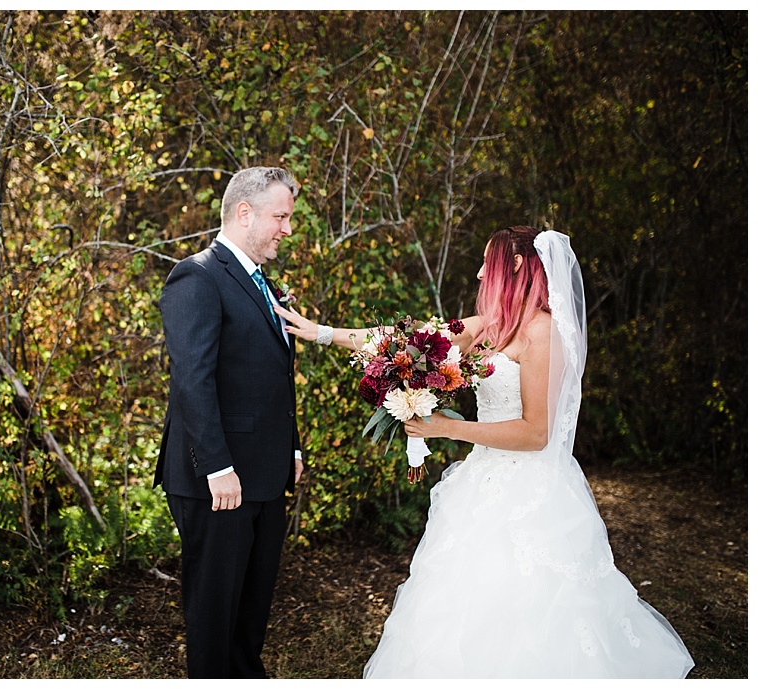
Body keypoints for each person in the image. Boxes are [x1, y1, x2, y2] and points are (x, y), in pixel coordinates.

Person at [274, 226, 694, 678]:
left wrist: (450, 429)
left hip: (532, 493)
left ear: (515, 266)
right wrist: (321, 333)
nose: (478, 273)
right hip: (482, 481)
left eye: (486, 264)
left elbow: (537, 434)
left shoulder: (542, 335)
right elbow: (407, 341)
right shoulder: (489, 328)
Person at [156, 166, 305, 678]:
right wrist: (217, 467)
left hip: (263, 472)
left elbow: (275, 373)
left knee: (252, 607)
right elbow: (192, 379)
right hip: (218, 480)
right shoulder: (196, 276)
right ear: (245, 213)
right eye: (280, 217)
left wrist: (293, 447)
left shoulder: (262, 281)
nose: (287, 228)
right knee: (215, 612)